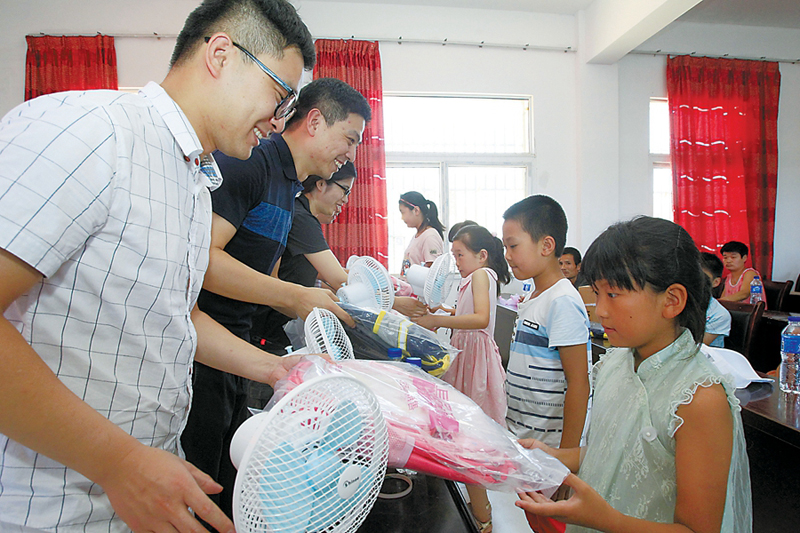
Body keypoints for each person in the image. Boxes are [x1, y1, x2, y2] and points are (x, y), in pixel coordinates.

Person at [0, 0, 315, 531]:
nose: (278, 120)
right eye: (280, 96)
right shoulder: (92, 131)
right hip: (52, 506)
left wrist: (273, 369)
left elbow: (172, 315)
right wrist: (117, 461)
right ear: (221, 54)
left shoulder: (194, 178)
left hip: (143, 493)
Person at [182, 77, 371, 519]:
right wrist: (297, 295)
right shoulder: (250, 166)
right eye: (349, 139)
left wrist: (327, 309)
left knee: (231, 483)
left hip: (238, 352)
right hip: (200, 354)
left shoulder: (288, 188)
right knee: (201, 490)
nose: (351, 154)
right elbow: (202, 260)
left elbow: (264, 279)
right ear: (315, 121)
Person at [516, 216, 752, 533]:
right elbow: (616, 452)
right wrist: (556, 456)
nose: (600, 310)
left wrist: (603, 519)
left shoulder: (699, 398)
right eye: (596, 293)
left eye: (613, 294)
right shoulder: (616, 362)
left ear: (671, 301)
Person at [502, 195, 591, 533]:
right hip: (527, 438)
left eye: (513, 245)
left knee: (551, 523)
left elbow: (578, 383)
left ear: (546, 245)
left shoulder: (563, 301)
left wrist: (566, 462)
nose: (507, 255)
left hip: (551, 449)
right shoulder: (534, 296)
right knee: (534, 517)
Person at [413, 224, 511, 532]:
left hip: (476, 358)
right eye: (453, 255)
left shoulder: (481, 275)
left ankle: (483, 515)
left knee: (470, 436)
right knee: (465, 432)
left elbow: (481, 318)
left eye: (460, 255)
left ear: (482, 255)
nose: (455, 262)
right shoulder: (474, 277)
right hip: (468, 354)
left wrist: (438, 319)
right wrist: (445, 310)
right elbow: (468, 311)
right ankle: (480, 506)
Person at [399, 191, 445, 276]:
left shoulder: (430, 236)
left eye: (403, 212)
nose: (402, 218)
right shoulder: (417, 236)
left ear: (416, 210)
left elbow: (432, 273)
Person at [701, 252, 732, 348]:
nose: (694, 281)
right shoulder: (675, 303)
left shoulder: (719, 315)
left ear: (716, 282)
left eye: (702, 277)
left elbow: (695, 348)